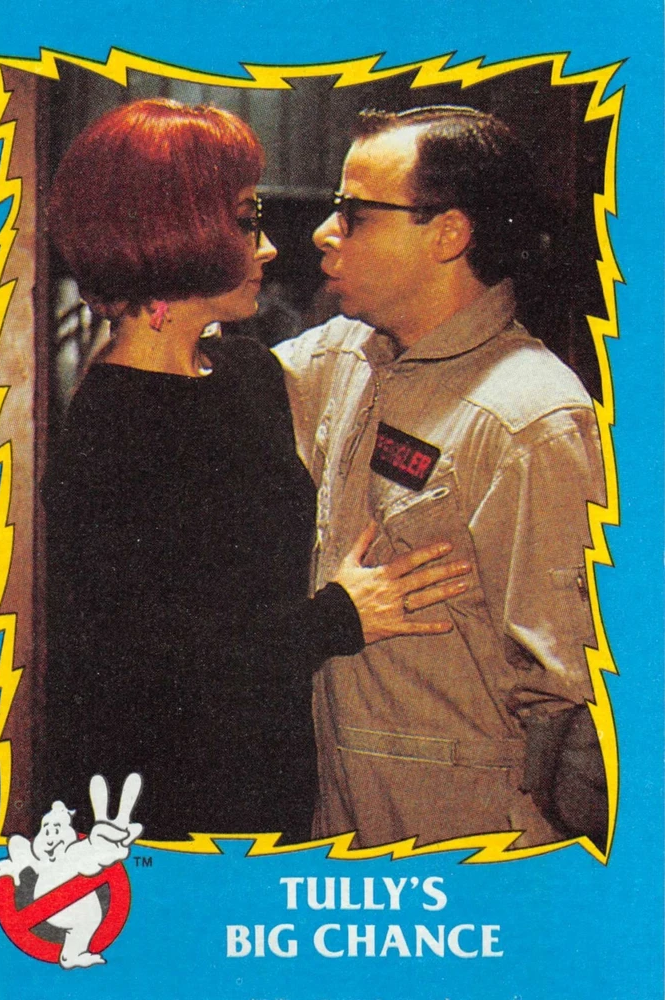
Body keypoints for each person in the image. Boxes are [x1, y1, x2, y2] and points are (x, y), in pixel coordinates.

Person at [40, 99, 472, 844]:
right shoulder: (111, 431)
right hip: (164, 810)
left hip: (273, 785)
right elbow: (151, 671)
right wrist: (339, 616)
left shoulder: (245, 371)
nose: (268, 248)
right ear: (172, 232)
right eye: (246, 222)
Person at [274, 105, 608, 850]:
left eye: (355, 214)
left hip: (465, 845)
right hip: (345, 827)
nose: (325, 233)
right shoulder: (344, 358)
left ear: (449, 234)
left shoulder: (530, 418)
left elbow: (573, 709)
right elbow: (198, 387)